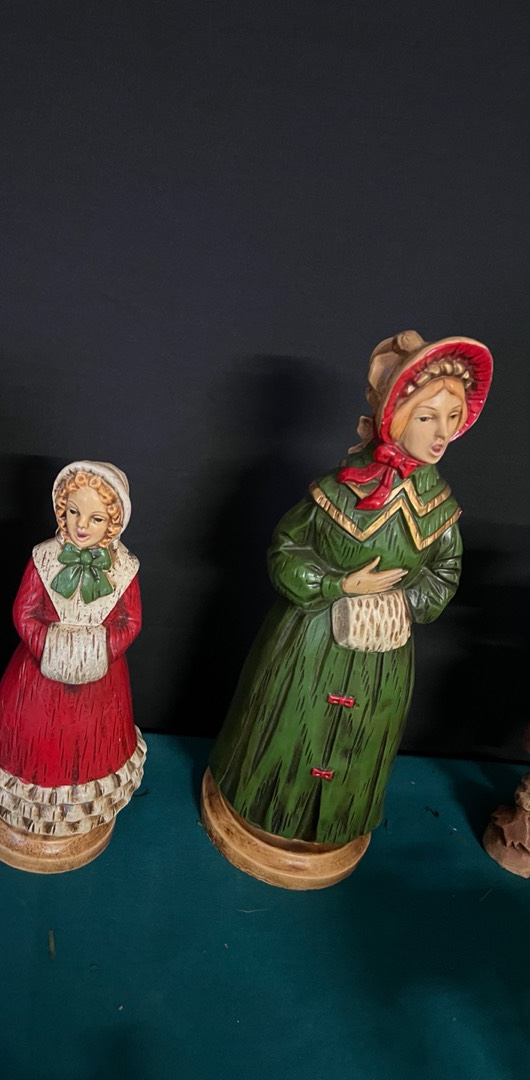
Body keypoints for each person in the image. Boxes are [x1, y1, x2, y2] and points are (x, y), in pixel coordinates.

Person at [207, 332, 493, 853]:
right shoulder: (338, 488)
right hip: (310, 644)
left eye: (452, 418)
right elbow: (284, 550)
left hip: (382, 657)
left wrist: (403, 602)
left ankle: (334, 825)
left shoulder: (442, 509)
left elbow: (445, 574)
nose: (441, 434)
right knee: (290, 726)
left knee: (360, 738)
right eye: (427, 417)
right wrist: (338, 585)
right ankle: (263, 807)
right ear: (395, 417)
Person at [0, 460, 145, 862]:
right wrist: (49, 644)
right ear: (61, 510)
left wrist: (100, 649)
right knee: (31, 744)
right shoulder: (44, 558)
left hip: (99, 684)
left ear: (113, 523)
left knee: (88, 749)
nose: (81, 525)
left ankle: (75, 814)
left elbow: (130, 621)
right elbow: (24, 611)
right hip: (38, 677)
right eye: (74, 512)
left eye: (95, 518)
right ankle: (28, 810)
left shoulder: (124, 570)